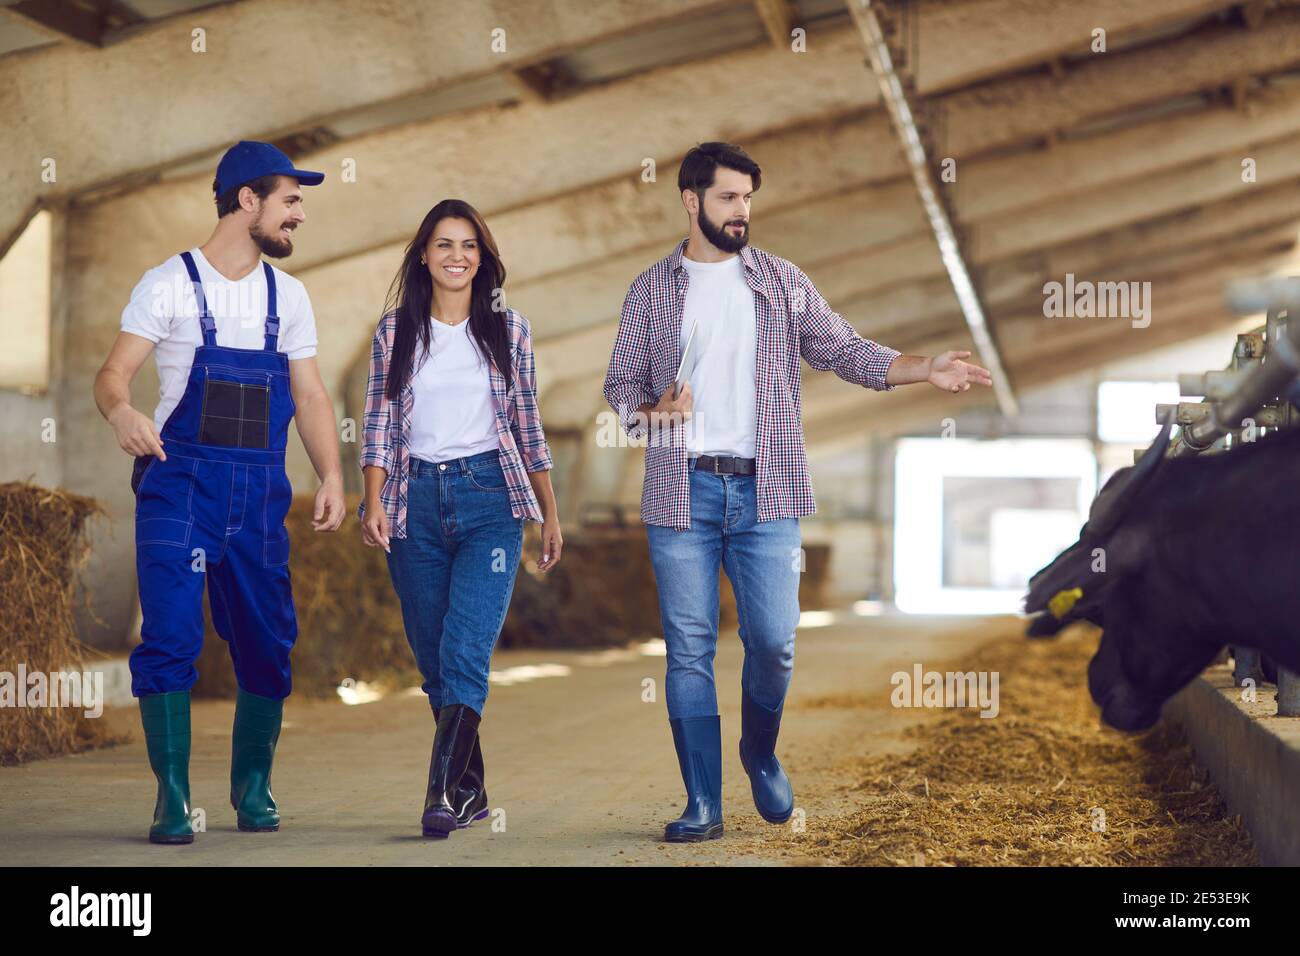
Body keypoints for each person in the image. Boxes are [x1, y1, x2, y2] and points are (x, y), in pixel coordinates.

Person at [603, 142, 993, 842]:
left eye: (748, 198)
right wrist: (657, 412)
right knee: (688, 648)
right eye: (728, 198)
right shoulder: (650, 290)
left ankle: (758, 750)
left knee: (775, 643)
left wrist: (925, 367)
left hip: (768, 495)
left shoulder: (781, 282)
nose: (741, 211)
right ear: (692, 202)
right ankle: (702, 803)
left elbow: (845, 350)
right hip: (680, 492)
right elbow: (621, 392)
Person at [93, 141, 346, 844]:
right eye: (290, 200)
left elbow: (310, 392)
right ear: (247, 200)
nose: (299, 214)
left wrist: (331, 473)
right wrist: (122, 413)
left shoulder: (287, 296)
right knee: (170, 637)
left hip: (259, 493)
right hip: (180, 487)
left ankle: (253, 783)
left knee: (267, 643)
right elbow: (113, 374)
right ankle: (171, 795)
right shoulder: (168, 283)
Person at [358, 199, 563, 839]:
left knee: (465, 646)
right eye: (444, 244)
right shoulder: (395, 332)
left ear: (484, 257)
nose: (456, 256)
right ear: (424, 254)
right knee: (433, 660)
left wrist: (549, 512)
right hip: (412, 500)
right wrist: (372, 498)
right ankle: (471, 791)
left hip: (490, 502)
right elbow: (379, 423)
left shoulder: (510, 330)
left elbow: (528, 425)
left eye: (469, 245)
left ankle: (441, 792)